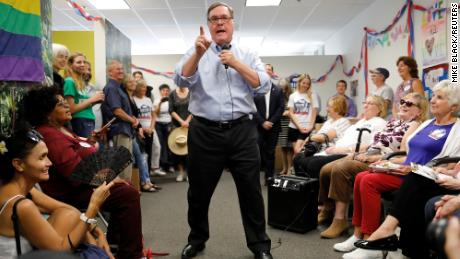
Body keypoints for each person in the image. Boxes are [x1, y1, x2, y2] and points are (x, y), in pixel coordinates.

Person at [173, 2, 273, 259]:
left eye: (224, 18)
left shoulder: (247, 53)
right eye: (214, 19)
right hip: (205, 133)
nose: (219, 23)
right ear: (208, 25)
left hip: (242, 131)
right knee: (198, 193)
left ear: (232, 23)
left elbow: (263, 85)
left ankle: (260, 246)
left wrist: (237, 63)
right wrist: (197, 54)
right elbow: (181, 81)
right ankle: (196, 240)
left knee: (251, 191)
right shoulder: (197, 50)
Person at [23, 86, 145, 259]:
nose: (67, 106)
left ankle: (118, 246)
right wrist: (108, 179)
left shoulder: (62, 129)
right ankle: (131, 254)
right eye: (61, 104)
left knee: (125, 189)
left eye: (66, 102)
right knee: (127, 194)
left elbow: (77, 150)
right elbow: (74, 171)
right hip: (71, 191)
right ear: (48, 113)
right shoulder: (50, 134)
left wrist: (89, 141)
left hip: (83, 184)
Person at [355, 80, 460, 259]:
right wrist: (391, 164)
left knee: (414, 179)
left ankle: (386, 231)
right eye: (433, 96)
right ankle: (392, 241)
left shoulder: (457, 129)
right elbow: (409, 151)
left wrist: (446, 170)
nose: (433, 100)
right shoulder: (427, 124)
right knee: (364, 175)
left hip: (434, 176)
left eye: (440, 97)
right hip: (415, 172)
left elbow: (452, 163)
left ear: (454, 106)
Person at [318, 93, 427, 240]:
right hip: (369, 155)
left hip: (382, 160)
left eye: (409, 104)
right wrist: (356, 153)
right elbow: (374, 143)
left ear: (419, 111)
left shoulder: (415, 125)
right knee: (326, 169)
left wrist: (372, 157)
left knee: (340, 168)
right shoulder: (393, 122)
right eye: (402, 101)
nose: (403, 105)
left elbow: (401, 153)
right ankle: (327, 208)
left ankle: (340, 219)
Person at [0, 127, 114, 259]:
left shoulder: (18, 189)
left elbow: (68, 210)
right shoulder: (22, 205)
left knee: (68, 215)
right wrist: (93, 208)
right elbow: (59, 252)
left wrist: (96, 232)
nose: (50, 162)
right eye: (42, 157)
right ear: (19, 164)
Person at [293, 95, 387, 178]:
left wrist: (343, 150)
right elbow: (345, 138)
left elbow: (370, 146)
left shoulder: (380, 123)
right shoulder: (360, 122)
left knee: (313, 164)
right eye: (365, 102)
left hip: (349, 154)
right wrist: (334, 147)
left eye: (370, 103)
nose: (365, 106)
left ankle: (316, 195)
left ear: (380, 108)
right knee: (300, 160)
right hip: (334, 150)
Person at [292, 95, 350, 175]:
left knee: (312, 163)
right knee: (297, 159)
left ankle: (313, 186)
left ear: (338, 108)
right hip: (319, 150)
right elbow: (318, 136)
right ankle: (301, 185)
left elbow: (324, 137)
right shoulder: (328, 122)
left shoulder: (343, 121)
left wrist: (310, 138)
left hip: (331, 152)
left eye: (329, 106)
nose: (327, 109)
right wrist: (310, 139)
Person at [101, 60, 136, 181]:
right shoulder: (111, 88)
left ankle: (127, 191)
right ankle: (124, 193)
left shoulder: (118, 88)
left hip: (125, 129)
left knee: (125, 162)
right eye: (118, 69)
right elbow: (117, 111)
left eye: (122, 68)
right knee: (123, 165)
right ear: (110, 72)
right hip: (120, 130)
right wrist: (132, 120)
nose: (121, 71)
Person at [253, 63, 284, 182]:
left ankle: (269, 176)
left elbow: (281, 108)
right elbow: (252, 108)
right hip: (258, 126)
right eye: (265, 70)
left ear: (272, 73)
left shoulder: (278, 90)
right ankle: (256, 177)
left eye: (269, 70)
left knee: (270, 152)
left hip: (273, 127)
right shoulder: (255, 90)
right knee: (258, 151)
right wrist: (262, 122)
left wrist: (270, 122)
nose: (267, 72)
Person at [63, 53, 104, 138]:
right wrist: (91, 99)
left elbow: (81, 104)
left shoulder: (81, 83)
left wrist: (95, 101)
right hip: (79, 121)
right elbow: (71, 109)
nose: (82, 65)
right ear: (70, 65)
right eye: (78, 62)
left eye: (84, 62)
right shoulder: (69, 81)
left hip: (88, 120)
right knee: (88, 149)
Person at [133, 79, 164, 177]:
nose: (144, 89)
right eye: (142, 87)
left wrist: (151, 127)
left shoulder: (148, 99)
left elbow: (153, 115)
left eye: (145, 87)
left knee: (157, 147)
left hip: (150, 128)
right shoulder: (133, 99)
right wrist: (140, 128)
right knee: (143, 153)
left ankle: (154, 168)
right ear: (137, 88)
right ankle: (145, 175)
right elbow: (133, 117)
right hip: (139, 130)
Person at [288, 74, 319, 155]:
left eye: (308, 83)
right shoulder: (292, 96)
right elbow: (291, 113)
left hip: (306, 128)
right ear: (299, 82)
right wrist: (299, 126)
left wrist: (311, 126)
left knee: (298, 151)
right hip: (293, 127)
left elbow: (314, 111)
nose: (306, 85)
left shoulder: (312, 95)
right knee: (295, 152)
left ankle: (297, 167)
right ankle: (294, 167)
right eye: (304, 83)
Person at [168, 85, 192, 182]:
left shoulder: (191, 92)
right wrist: (181, 121)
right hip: (176, 125)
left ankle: (189, 173)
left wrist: (187, 121)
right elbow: (171, 110)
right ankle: (180, 172)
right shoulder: (172, 94)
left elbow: (195, 108)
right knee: (178, 151)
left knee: (190, 150)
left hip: (190, 124)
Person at [154, 84, 174, 174]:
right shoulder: (157, 100)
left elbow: (173, 113)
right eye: (163, 90)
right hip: (158, 124)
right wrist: (160, 103)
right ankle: (162, 165)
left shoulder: (171, 100)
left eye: (167, 90)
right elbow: (156, 113)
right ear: (160, 91)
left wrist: (171, 125)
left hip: (168, 124)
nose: (165, 92)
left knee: (170, 144)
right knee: (161, 145)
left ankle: (170, 165)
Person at [276, 78, 293, 175]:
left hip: (290, 124)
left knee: (289, 148)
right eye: (281, 88)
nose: (283, 90)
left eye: (284, 89)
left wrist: (288, 112)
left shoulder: (291, 97)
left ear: (288, 88)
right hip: (281, 124)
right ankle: (284, 168)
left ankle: (290, 169)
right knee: (283, 147)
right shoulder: (278, 96)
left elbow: (293, 111)